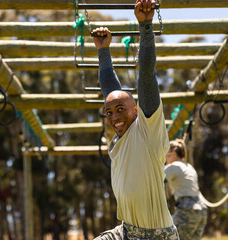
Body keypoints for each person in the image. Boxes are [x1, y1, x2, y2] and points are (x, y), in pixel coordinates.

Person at [92, 0, 179, 239]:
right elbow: (110, 92)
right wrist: (103, 52)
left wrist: (146, 27)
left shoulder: (147, 130)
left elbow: (147, 75)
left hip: (156, 234)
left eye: (120, 110)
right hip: (127, 231)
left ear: (136, 110)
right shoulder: (120, 139)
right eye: (109, 113)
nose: (114, 117)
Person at [165, 139, 208, 240]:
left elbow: (154, 177)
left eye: (166, 154)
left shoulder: (173, 166)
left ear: (174, 153)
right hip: (201, 211)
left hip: (188, 210)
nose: (165, 158)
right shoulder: (189, 167)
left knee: (168, 237)